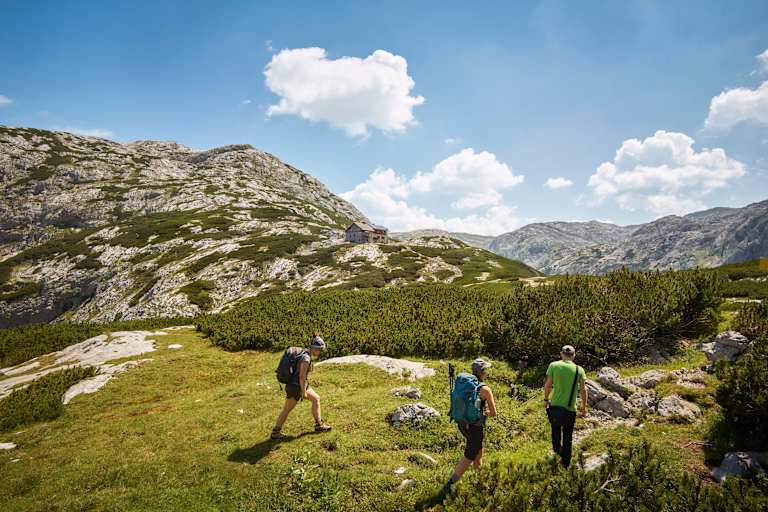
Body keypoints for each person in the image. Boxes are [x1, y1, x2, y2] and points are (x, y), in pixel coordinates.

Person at [443, 358, 497, 495]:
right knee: (470, 454)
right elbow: (493, 413)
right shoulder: (485, 389)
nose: (487, 373)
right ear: (483, 372)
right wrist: (485, 412)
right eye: (486, 370)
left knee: (478, 450)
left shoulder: (464, 383)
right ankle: (450, 485)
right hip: (475, 427)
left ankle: (480, 480)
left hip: (462, 423)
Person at [270, 332, 332, 439]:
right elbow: (301, 377)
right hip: (295, 387)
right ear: (313, 348)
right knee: (287, 409)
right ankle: (276, 432)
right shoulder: (306, 359)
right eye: (319, 349)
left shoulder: (305, 353)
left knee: (316, 398)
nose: (320, 352)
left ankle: (319, 425)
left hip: (300, 385)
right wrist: (303, 392)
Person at [543, 345, 587, 468]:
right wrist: (583, 407)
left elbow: (548, 385)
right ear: (574, 355)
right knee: (568, 438)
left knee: (555, 434)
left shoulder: (554, 365)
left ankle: (557, 455)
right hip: (570, 409)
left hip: (555, 407)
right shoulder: (579, 370)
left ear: (561, 354)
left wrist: (546, 399)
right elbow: (583, 390)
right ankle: (566, 464)